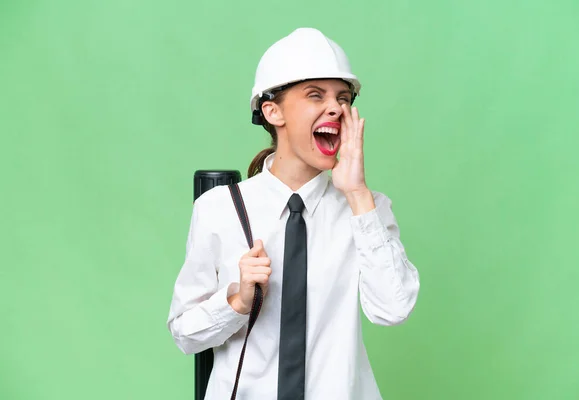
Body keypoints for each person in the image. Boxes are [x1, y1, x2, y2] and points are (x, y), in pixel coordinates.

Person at [166, 27, 420, 399]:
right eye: (315, 95)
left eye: (343, 98)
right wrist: (236, 302)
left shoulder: (367, 209)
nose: (335, 107)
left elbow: (393, 309)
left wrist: (357, 193)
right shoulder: (219, 209)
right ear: (273, 111)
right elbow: (184, 333)